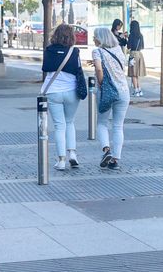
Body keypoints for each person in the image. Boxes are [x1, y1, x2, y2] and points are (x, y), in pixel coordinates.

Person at [42, 24, 84, 170]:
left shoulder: (48, 50)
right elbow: (78, 69)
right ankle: (72, 153)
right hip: (71, 91)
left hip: (53, 91)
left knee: (59, 126)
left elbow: (45, 68)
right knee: (70, 122)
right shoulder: (74, 52)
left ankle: (61, 160)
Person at [92, 25, 130, 170]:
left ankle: (106, 150)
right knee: (118, 126)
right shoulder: (119, 49)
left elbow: (99, 69)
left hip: (107, 91)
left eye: (95, 36)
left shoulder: (97, 51)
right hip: (123, 91)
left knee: (102, 123)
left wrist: (102, 85)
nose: (93, 39)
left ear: (100, 38)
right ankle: (115, 160)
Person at [127, 20, 146, 98]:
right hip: (139, 54)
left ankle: (136, 91)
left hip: (133, 54)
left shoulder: (131, 35)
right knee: (137, 74)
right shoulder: (141, 35)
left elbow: (128, 46)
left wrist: (127, 38)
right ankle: (139, 90)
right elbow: (142, 46)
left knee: (133, 74)